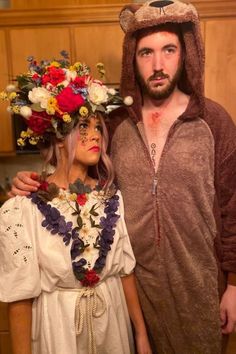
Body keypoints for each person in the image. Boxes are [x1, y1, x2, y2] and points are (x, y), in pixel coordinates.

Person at [8, 0, 236, 353]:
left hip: (201, 288)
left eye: (168, 50)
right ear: (133, 57)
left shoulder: (214, 122)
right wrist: (31, 183)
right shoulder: (115, 125)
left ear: (186, 53)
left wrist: (234, 287)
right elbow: (77, 176)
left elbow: (233, 207)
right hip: (131, 295)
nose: (158, 65)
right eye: (147, 52)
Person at [0, 53, 152, 354]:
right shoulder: (23, 207)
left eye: (98, 128)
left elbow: (125, 270)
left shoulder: (111, 197)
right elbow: (19, 297)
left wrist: (141, 335)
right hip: (60, 330)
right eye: (83, 127)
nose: (94, 135)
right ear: (58, 137)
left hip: (112, 323)